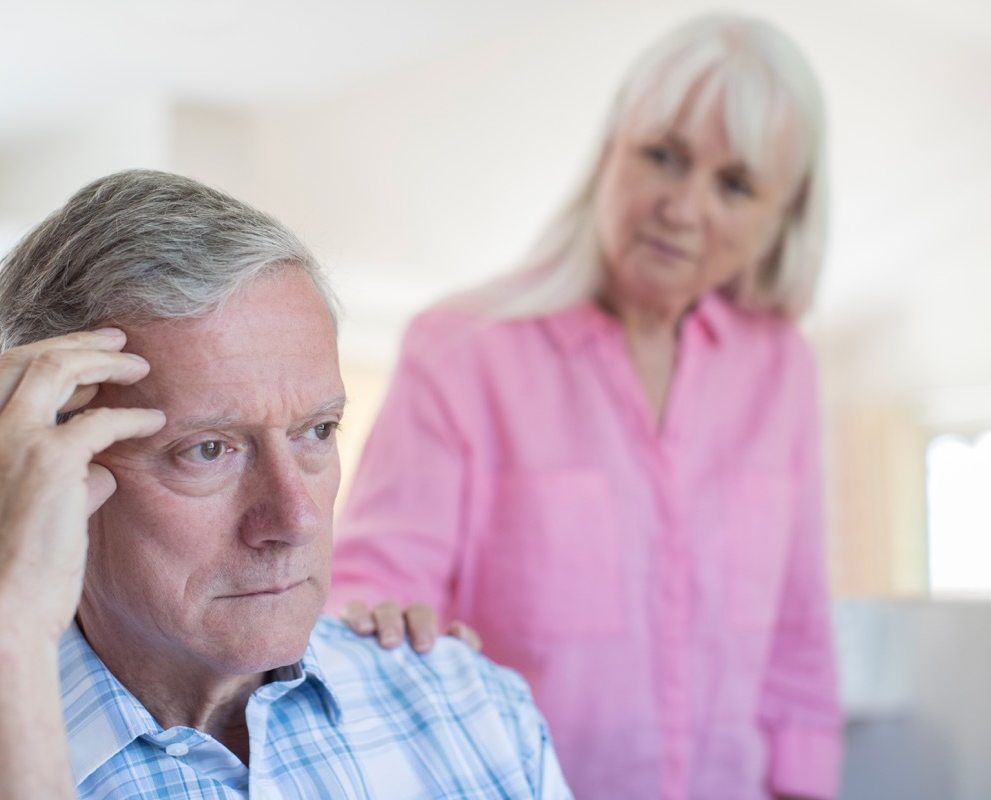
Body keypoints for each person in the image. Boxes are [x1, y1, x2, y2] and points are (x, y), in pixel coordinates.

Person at [0, 170, 572, 799]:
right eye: (208, 450)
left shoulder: (470, 705)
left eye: (317, 432)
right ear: (47, 472)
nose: (293, 518)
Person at [331, 14, 843, 800]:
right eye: (664, 157)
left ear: (781, 218)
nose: (683, 206)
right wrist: (375, 620)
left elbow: (798, 639)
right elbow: (373, 599)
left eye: (735, 185)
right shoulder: (458, 352)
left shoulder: (783, 370)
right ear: (611, 152)